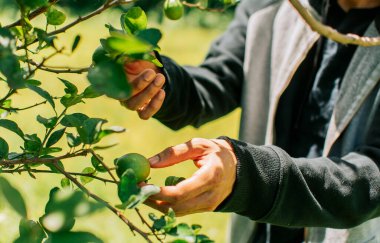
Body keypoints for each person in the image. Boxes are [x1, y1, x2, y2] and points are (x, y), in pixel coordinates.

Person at [121, 0, 380, 242]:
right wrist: (157, 80)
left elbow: (372, 177)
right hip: (261, 230)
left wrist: (248, 177)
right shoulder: (272, 4)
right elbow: (219, 79)